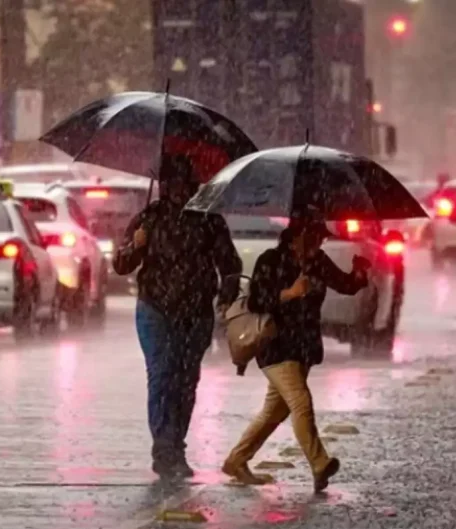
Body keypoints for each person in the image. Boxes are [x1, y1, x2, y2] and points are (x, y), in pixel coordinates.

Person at [113, 154, 242, 479]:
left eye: (185, 184)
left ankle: (176, 445)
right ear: (163, 185)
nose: (179, 191)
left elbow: (229, 263)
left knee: (186, 381)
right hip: (155, 309)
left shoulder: (209, 220)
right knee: (162, 374)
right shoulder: (149, 219)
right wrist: (135, 246)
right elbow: (121, 266)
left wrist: (226, 296)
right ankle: (164, 449)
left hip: (195, 313)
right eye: (172, 184)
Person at [221, 211, 370, 492]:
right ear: (298, 237)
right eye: (315, 238)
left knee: (274, 412)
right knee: (301, 402)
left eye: (322, 239)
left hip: (303, 346)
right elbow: (256, 302)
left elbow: (346, 285)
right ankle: (319, 463)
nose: (319, 244)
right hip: (275, 346)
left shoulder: (317, 262)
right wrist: (289, 293)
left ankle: (236, 460)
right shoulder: (270, 260)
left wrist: (360, 273)